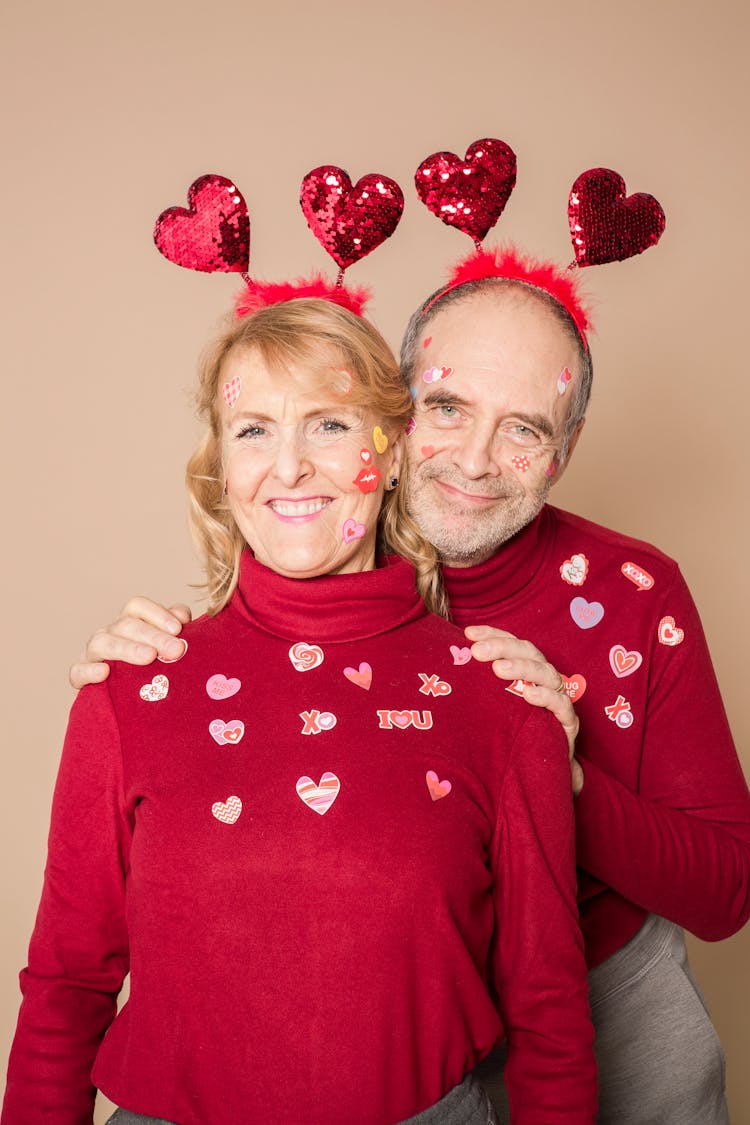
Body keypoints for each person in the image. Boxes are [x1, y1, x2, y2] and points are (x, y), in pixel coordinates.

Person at [77, 252, 750, 1124]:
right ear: (389, 419)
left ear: (567, 446)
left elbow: (728, 889)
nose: (474, 459)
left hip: (603, 985)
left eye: (525, 429)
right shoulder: (323, 529)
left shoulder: (635, 591)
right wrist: (139, 660)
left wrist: (558, 775)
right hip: (391, 1009)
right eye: (446, 407)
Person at [3, 297, 597, 1124]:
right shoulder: (129, 688)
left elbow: (550, 1008)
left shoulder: (501, 699)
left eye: (328, 425)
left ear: (394, 453)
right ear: (221, 466)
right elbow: (67, 984)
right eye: (253, 431)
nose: (288, 468)